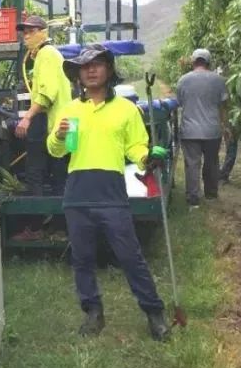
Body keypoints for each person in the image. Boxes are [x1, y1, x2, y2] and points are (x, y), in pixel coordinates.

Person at [48, 43, 171, 341]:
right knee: (82, 259)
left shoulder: (126, 110)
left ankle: (154, 312)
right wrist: (60, 136)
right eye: (84, 66)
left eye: (97, 64)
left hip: (111, 193)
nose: (90, 70)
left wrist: (147, 158)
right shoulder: (70, 110)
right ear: (78, 74)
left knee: (130, 256)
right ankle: (93, 312)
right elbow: (56, 150)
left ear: (109, 70)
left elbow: (135, 147)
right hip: (77, 193)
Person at [12, 15, 71, 241]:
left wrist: (27, 118)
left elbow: (46, 94)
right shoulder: (51, 55)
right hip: (65, 123)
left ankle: (37, 227)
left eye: (31, 31)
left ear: (42, 32)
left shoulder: (46, 54)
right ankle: (60, 228)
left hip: (52, 123)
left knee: (35, 173)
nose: (26, 36)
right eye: (24, 32)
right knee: (61, 175)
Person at [175, 48, 229, 207]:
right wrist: (225, 126)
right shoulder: (219, 80)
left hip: (189, 131)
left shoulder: (183, 80)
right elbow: (224, 106)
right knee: (212, 162)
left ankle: (193, 200)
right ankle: (211, 194)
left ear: (193, 61)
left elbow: (180, 102)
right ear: (208, 62)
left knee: (192, 164)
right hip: (212, 130)